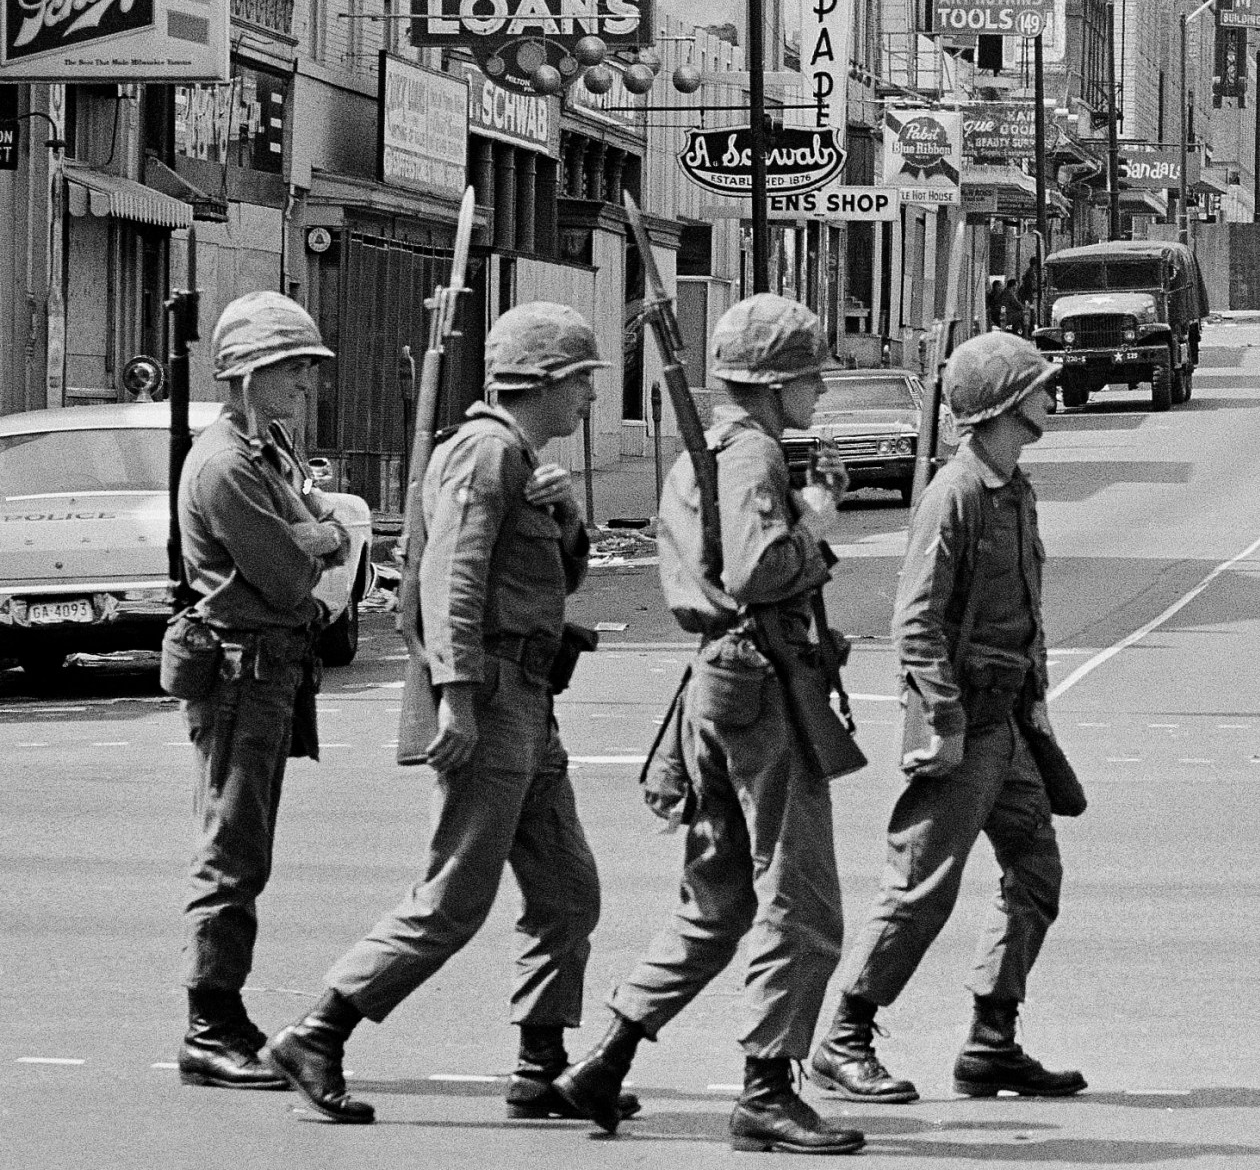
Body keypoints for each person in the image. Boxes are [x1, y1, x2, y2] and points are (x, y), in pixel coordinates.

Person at [261, 305, 617, 1127]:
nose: (589, 401)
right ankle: (319, 1031)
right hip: (489, 699)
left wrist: (567, 518)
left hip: (529, 700)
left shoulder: (522, 457)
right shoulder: (485, 453)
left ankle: (540, 1068)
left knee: (567, 891)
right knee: (454, 898)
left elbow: (555, 580)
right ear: (545, 382)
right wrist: (456, 699)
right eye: (582, 383)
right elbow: (448, 577)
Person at [554, 294, 871, 1154]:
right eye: (812, 376)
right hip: (759, 686)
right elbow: (762, 565)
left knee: (719, 900)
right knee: (803, 903)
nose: (821, 391)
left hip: (722, 681)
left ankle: (606, 1061)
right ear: (778, 383)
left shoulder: (720, 450)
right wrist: (817, 526)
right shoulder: (752, 452)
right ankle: (767, 1087)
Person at [809, 332, 1087, 1105]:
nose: (1047, 396)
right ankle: (844, 1036)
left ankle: (992, 1041)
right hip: (964, 722)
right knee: (921, 886)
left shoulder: (1014, 487)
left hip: (1011, 724)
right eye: (1035, 386)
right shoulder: (956, 494)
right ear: (1002, 405)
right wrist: (941, 718)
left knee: (1036, 872)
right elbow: (917, 621)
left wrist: (1036, 701)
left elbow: (1022, 613)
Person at [166, 292, 350, 1092]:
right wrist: (320, 538)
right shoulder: (227, 465)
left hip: (269, 670)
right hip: (243, 670)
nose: (304, 384)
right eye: (290, 369)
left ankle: (226, 1012)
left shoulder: (263, 450)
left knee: (248, 850)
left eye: (305, 368)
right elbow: (291, 571)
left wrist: (318, 534)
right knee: (231, 854)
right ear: (246, 376)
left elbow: (321, 528)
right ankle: (208, 1025)